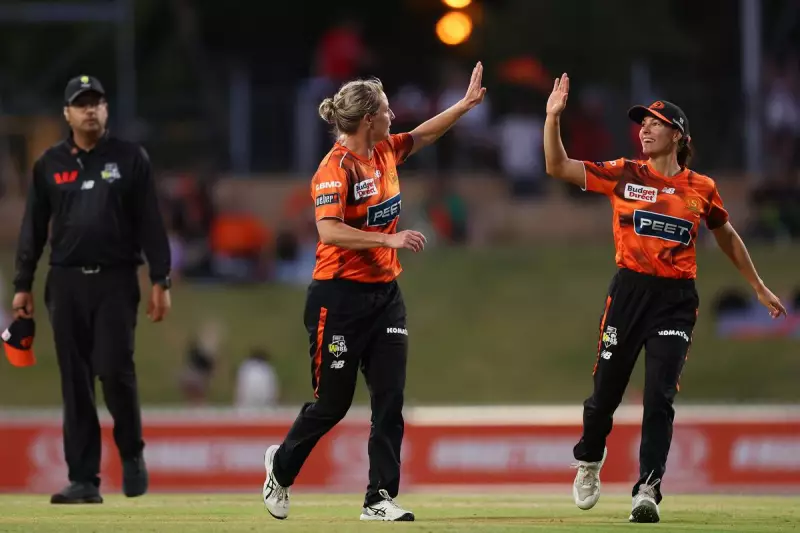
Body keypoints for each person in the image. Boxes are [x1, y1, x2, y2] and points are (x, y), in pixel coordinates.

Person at [543, 73, 787, 523]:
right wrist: (552, 118)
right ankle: (589, 461)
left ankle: (648, 489)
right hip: (629, 293)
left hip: (674, 300)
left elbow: (727, 234)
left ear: (677, 134)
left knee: (659, 397)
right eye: (642, 123)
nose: (644, 129)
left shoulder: (701, 189)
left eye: (655, 123)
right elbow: (558, 168)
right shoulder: (623, 173)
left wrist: (757, 285)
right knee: (604, 395)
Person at [262, 63, 486, 522]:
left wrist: (462, 107)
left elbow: (423, 135)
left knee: (390, 397)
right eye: (386, 110)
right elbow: (328, 231)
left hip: (385, 294)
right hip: (338, 298)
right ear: (368, 119)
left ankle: (379, 498)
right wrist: (389, 239)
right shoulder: (334, 169)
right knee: (332, 404)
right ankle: (280, 469)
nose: (393, 115)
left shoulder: (384, 152)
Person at [11, 75, 172, 504]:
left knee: (114, 369)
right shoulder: (49, 164)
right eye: (81, 104)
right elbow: (32, 230)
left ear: (106, 109)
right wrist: (22, 284)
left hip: (116, 279)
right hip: (64, 282)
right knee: (75, 380)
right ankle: (83, 478)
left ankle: (132, 454)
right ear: (67, 113)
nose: (90, 110)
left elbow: (150, 222)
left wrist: (162, 278)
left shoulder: (130, 158)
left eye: (96, 103)